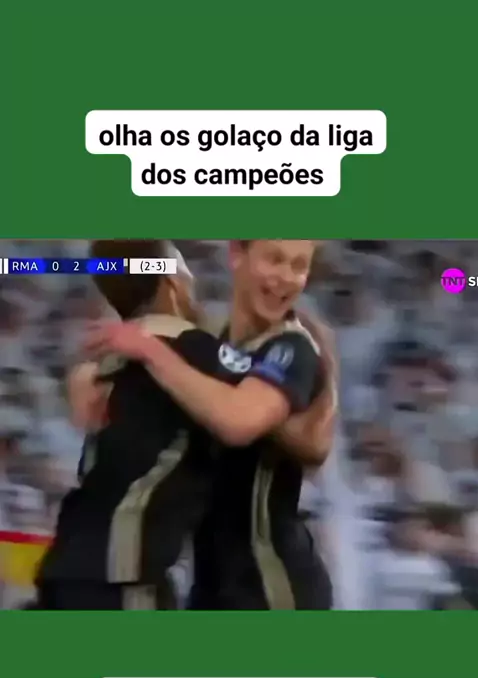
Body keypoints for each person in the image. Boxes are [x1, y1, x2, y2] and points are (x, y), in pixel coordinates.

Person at [87, 240, 335, 609]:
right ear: (237, 255)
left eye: (299, 267)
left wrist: (149, 350)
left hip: (270, 587)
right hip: (209, 585)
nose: (286, 277)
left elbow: (239, 422)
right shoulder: (212, 343)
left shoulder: (290, 347)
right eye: (274, 260)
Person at [29, 240, 221, 609]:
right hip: (122, 576)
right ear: (170, 282)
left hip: (68, 567)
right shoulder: (195, 350)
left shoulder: (106, 361)